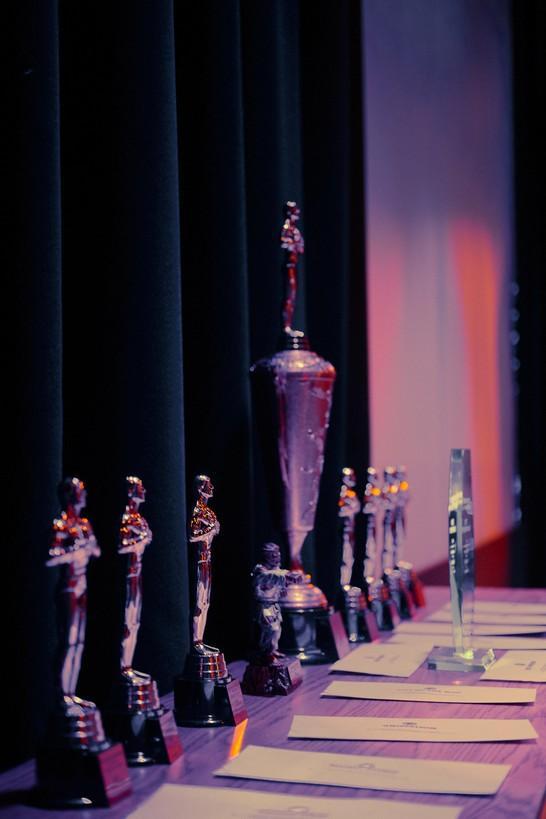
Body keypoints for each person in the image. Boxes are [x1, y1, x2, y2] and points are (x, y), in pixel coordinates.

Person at [46, 477, 101, 709]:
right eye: (80, 491)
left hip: (82, 585)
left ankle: (71, 692)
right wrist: (74, 550)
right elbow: (51, 557)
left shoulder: (84, 524)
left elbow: (96, 551)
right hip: (68, 586)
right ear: (70, 495)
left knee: (79, 642)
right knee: (68, 641)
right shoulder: (62, 524)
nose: (84, 495)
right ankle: (62, 696)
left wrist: (88, 546)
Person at [118, 476, 153, 683]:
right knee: (129, 622)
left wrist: (143, 537)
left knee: (135, 622)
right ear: (132, 492)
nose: (144, 491)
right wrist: (141, 539)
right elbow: (122, 546)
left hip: (138, 573)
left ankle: (129, 666)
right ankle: (125, 668)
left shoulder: (139, 518)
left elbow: (149, 536)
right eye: (141, 488)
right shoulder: (128, 518)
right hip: (130, 574)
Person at [251, 542, 302, 663]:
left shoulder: (276, 569)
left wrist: (284, 586)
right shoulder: (260, 570)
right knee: (270, 628)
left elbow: (279, 580)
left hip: (274, 605)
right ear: (266, 556)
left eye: (277, 555)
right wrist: (286, 575)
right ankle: (266, 652)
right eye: (273, 555)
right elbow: (269, 576)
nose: (276, 558)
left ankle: (273, 650)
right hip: (265, 605)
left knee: (277, 629)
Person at [189, 475, 220, 656]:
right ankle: (196, 642)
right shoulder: (198, 510)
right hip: (200, 560)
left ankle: (201, 640)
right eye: (209, 485)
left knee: (206, 602)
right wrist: (210, 528)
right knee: (200, 602)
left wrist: (212, 528)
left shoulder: (207, 511)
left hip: (207, 559)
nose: (212, 487)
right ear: (200, 488)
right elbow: (193, 536)